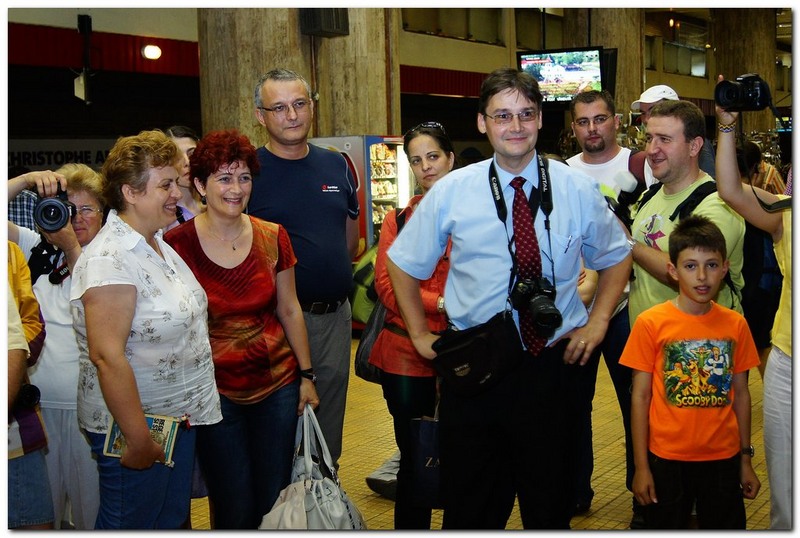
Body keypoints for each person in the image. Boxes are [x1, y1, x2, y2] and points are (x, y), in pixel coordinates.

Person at [386, 67, 632, 529]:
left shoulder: (574, 187)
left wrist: (599, 322)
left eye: (526, 114)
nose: (515, 126)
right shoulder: (454, 190)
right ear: (482, 122)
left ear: (539, 119)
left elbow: (618, 255)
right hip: (476, 367)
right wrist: (419, 333)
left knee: (550, 506)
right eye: (502, 115)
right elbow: (402, 262)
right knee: (472, 508)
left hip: (552, 366)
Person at [165, 129, 320, 529]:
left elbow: (290, 308)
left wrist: (306, 376)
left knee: (273, 496)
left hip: (277, 384)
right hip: (213, 391)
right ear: (201, 185)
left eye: (244, 177)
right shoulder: (176, 244)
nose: (236, 189)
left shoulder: (273, 235)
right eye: (224, 178)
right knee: (231, 501)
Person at [69, 130, 222, 529]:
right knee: (130, 523)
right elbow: (107, 356)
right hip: (138, 426)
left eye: (175, 182)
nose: (177, 192)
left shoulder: (155, 243)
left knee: (168, 520)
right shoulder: (111, 258)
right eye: (165, 185)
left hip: (175, 419)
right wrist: (137, 438)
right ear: (131, 193)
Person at [248, 68, 359, 468]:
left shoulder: (337, 165)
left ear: (312, 106)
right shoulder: (248, 173)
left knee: (326, 432)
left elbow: (349, 240)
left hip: (333, 318)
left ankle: (323, 497)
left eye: (299, 104)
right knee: (278, 430)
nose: (292, 115)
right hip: (273, 324)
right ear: (261, 116)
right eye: (279, 107)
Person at [620, 214, 761, 529]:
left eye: (711, 265)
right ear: (673, 270)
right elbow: (640, 398)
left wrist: (745, 459)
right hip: (667, 458)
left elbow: (742, 395)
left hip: (723, 458)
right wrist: (641, 467)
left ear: (724, 268)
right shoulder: (650, 323)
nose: (702, 276)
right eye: (690, 266)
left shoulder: (735, 324)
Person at [367, 121, 455, 528]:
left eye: (433, 156)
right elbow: (387, 287)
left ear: (450, 158)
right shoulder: (398, 221)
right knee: (414, 456)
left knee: (464, 456)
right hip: (404, 356)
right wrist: (442, 302)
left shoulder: (477, 216)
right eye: (416, 161)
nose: (426, 167)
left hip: (463, 354)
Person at [8, 165, 104, 529]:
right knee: (43, 516)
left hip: (91, 410)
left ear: (104, 213)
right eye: (66, 207)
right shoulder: (34, 247)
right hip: (39, 408)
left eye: (86, 209)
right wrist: (27, 180)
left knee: (91, 515)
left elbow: (94, 306)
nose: (75, 218)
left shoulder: (110, 257)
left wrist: (71, 248)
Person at [714, 84, 792, 529]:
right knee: (785, 484)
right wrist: (727, 124)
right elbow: (730, 190)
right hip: (786, 361)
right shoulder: (788, 214)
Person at [566, 89, 640, 522]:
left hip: (628, 308)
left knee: (636, 403)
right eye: (583, 121)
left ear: (615, 120)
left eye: (599, 119)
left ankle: (642, 492)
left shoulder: (640, 166)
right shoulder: (562, 173)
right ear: (573, 128)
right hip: (577, 311)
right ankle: (575, 490)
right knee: (574, 406)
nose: (592, 128)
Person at [628, 100, 745, 327]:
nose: (651, 150)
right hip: (649, 340)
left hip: (704, 342)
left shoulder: (719, 205)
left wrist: (628, 243)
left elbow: (692, 275)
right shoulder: (647, 197)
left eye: (664, 139)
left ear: (694, 146)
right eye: (649, 138)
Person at [8, 242, 54, 530]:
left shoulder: (9, 253)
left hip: (14, 423)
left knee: (35, 521)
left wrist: (13, 362)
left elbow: (32, 324)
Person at [732, 141, 782, 377]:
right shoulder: (764, 207)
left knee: (738, 352)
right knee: (762, 347)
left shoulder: (717, 198)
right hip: (762, 284)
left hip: (736, 288)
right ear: (756, 169)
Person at [631, 85, 716, 184]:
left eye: (665, 139)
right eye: (643, 113)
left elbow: (710, 184)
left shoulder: (697, 145)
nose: (646, 119)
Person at [165, 125, 205, 230]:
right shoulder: (163, 215)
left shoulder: (215, 201)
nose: (187, 162)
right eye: (177, 157)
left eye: (192, 154)